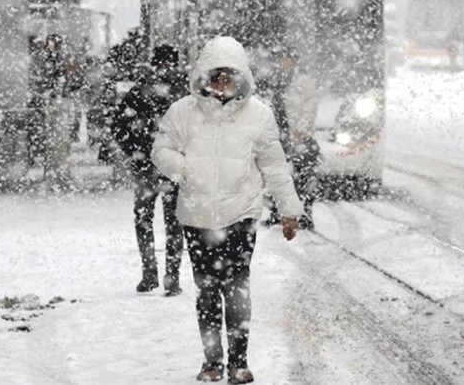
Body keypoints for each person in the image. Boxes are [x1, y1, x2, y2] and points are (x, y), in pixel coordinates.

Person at [152, 36, 302, 383]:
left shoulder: (259, 115)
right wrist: (184, 169)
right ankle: (211, 361)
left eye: (229, 77)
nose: (222, 85)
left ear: (241, 78)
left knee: (236, 288)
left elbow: (275, 166)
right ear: (204, 78)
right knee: (207, 290)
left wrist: (289, 210)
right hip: (196, 215)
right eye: (216, 77)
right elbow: (161, 150)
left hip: (240, 216)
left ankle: (238, 360)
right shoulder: (182, 112)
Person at [112, 44, 188, 295]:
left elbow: (119, 124)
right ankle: (171, 277)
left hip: (147, 165)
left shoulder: (141, 90)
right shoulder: (184, 93)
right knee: (173, 223)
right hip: (172, 167)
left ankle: (150, 274)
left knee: (145, 220)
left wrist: (135, 150)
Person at [262, 48, 321, 230]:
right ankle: (276, 212)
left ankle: (305, 214)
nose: (283, 64)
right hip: (279, 134)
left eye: (286, 60)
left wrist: (301, 129)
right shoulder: (274, 79)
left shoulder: (303, 81)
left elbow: (310, 105)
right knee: (277, 175)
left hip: (297, 135)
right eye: (281, 60)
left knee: (303, 175)